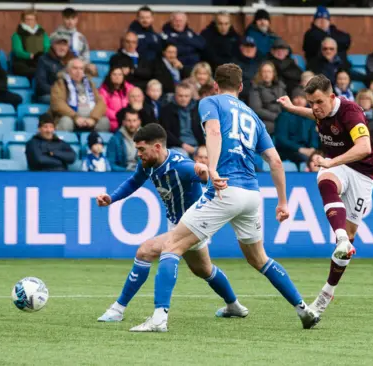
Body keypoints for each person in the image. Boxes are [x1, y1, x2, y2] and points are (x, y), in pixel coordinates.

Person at [129, 63, 320, 332]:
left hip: (225, 189)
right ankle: (304, 309)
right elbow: (276, 161)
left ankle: (159, 318)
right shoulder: (253, 116)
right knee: (260, 259)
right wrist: (283, 201)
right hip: (252, 194)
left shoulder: (210, 102)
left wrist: (214, 168)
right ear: (241, 87)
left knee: (171, 246)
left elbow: (215, 132)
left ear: (216, 85)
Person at [97, 123, 247, 323]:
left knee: (145, 251)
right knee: (203, 269)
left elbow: (198, 172)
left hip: (192, 225)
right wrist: (112, 198)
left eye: (142, 149)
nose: (138, 154)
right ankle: (234, 306)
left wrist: (203, 171)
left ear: (157, 147)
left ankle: (118, 309)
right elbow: (133, 182)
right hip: (178, 223)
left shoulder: (179, 166)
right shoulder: (148, 165)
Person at [277, 74, 373, 317]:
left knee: (348, 243)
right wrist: (293, 108)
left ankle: (326, 293)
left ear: (332, 97)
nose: (315, 108)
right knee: (324, 177)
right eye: (311, 102)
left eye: (318, 102)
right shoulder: (321, 111)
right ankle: (340, 236)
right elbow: (316, 114)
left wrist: (332, 160)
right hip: (339, 167)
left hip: (363, 175)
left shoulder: (350, 112)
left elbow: (364, 147)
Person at [50, 58, 109, 132]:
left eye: (81, 69)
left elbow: (101, 103)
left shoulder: (89, 83)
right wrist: (75, 117)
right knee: (66, 122)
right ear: (68, 70)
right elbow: (57, 103)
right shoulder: (61, 83)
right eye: (75, 68)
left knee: (104, 122)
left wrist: (93, 118)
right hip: (71, 118)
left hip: (90, 119)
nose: (78, 72)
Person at [274, 88, 319, 164]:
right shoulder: (284, 116)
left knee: (320, 159)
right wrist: (299, 149)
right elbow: (281, 139)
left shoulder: (310, 117)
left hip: (307, 151)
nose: (299, 100)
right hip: (288, 151)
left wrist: (313, 148)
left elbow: (313, 137)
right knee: (309, 160)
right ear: (291, 100)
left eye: (302, 98)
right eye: (296, 97)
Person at [158, 83, 204, 156]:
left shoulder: (198, 108)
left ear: (191, 96)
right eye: (180, 96)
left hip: (198, 145)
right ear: (175, 95)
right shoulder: (166, 109)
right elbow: (165, 132)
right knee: (183, 155)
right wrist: (182, 145)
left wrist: (203, 146)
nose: (183, 99)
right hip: (177, 146)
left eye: (186, 96)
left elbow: (205, 128)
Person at [54, 8, 96, 76]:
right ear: (63, 19)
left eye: (73, 19)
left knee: (93, 69)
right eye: (67, 19)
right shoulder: (56, 36)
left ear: (76, 20)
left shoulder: (80, 37)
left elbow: (86, 54)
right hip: (62, 67)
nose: (70, 22)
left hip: (79, 67)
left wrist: (84, 64)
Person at [34, 32, 74, 103]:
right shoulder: (43, 60)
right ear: (52, 45)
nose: (62, 48)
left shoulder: (73, 60)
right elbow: (41, 85)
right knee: (66, 101)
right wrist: (59, 92)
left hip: (69, 95)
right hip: (48, 94)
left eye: (65, 45)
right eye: (58, 44)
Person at [11, 10, 50, 79]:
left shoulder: (42, 33)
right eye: (27, 19)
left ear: (35, 20)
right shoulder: (17, 34)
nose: (30, 22)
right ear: (23, 20)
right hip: (24, 62)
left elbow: (47, 47)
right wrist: (29, 55)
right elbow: (18, 51)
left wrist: (41, 55)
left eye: (32, 19)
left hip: (39, 60)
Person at [249, 61, 286, 133]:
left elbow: (286, 105)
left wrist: (284, 117)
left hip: (281, 118)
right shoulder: (255, 88)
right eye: (264, 72)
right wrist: (276, 117)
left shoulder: (280, 86)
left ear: (273, 74)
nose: (267, 74)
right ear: (260, 74)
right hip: (265, 120)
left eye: (269, 72)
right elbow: (257, 110)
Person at [99, 67, 134, 132]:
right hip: (112, 122)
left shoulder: (130, 88)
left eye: (120, 74)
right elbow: (103, 109)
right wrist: (120, 116)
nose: (117, 77)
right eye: (114, 74)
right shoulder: (103, 90)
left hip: (129, 121)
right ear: (110, 76)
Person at [232, 36, 262, 101]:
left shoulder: (260, 64)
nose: (249, 49)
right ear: (241, 48)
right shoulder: (233, 64)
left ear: (255, 49)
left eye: (251, 47)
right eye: (246, 46)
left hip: (258, 98)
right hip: (239, 99)